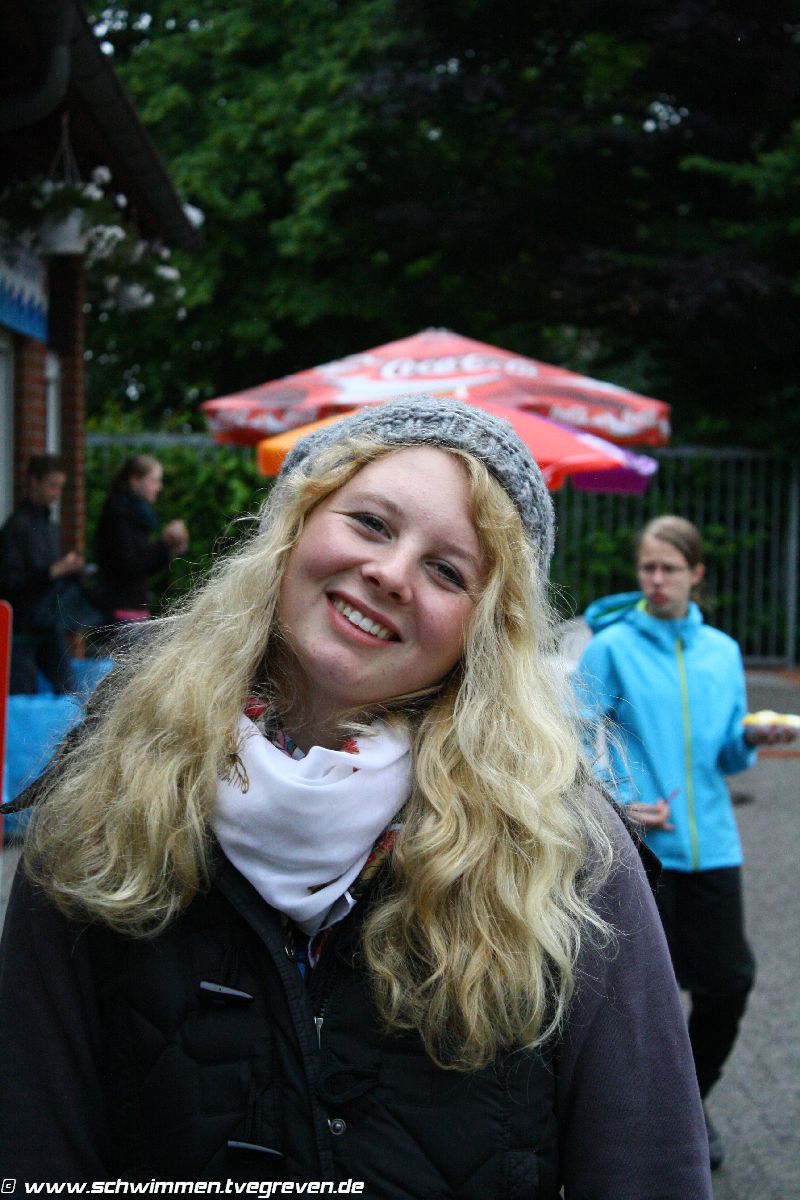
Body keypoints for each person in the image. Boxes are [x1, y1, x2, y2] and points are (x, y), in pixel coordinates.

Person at [0, 398, 712, 1196]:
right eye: (371, 523)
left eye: (447, 571)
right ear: (294, 526)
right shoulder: (107, 791)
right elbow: (31, 1145)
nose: (391, 574)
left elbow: (650, 1168)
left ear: (485, 630)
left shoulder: (561, 844)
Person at [573, 514, 796, 1172]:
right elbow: (572, 738)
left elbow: (726, 754)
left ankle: (686, 1104)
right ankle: (644, 1126)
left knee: (731, 982)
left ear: (696, 574)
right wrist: (614, 802)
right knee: (648, 999)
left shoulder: (722, 652)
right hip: (645, 852)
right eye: (648, 567)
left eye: (669, 569)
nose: (657, 579)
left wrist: (751, 737)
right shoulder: (612, 647)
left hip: (715, 845)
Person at [0, 453, 85, 693]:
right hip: (22, 627)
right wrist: (55, 570)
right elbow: (9, 581)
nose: (56, 493)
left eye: (60, 487)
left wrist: (70, 571)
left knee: (68, 689)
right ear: (34, 482)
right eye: (52, 485)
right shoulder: (16, 527)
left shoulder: (49, 525)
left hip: (47, 621)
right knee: (22, 693)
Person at [95, 453, 189, 627]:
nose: (159, 487)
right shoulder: (119, 514)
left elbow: (143, 564)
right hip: (122, 609)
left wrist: (168, 546)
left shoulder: (135, 513)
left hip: (132, 608)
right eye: (154, 480)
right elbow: (131, 565)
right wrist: (164, 543)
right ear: (135, 481)